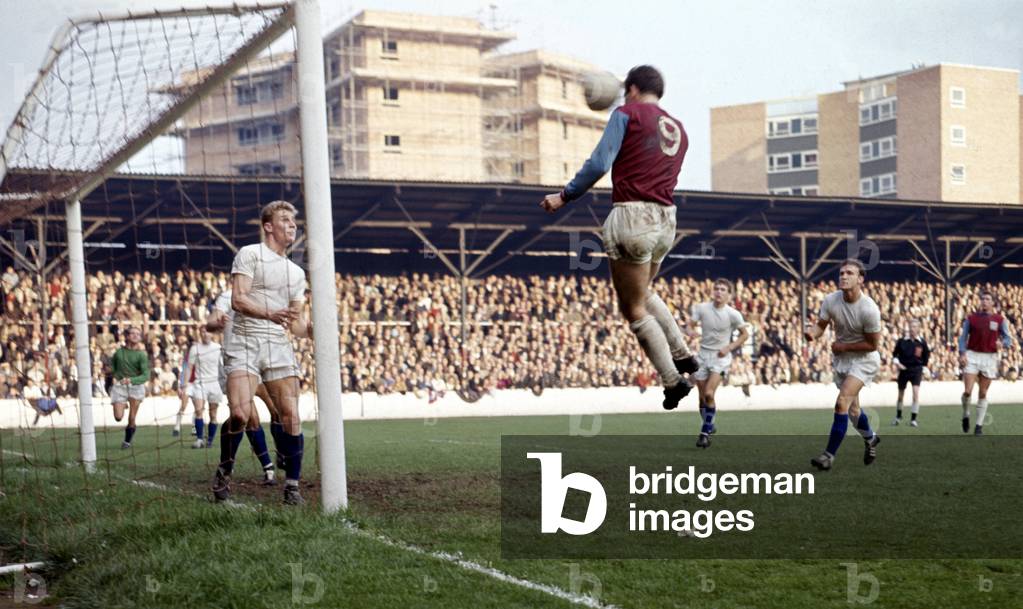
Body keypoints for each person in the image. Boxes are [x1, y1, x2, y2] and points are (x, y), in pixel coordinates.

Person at [540, 65, 696, 410]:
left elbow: (599, 163)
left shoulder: (627, 114)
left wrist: (565, 195)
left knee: (633, 307)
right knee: (645, 292)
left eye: (627, 90)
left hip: (633, 215)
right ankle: (684, 354)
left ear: (634, 88)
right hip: (666, 218)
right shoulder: (680, 130)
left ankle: (673, 382)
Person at [212, 201, 310, 505]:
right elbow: (239, 300)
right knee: (240, 415)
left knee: (291, 416)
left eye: (294, 220)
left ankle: (291, 486)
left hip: (278, 346)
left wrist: (313, 329)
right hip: (244, 341)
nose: (292, 225)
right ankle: (224, 470)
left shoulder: (296, 273)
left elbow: (295, 323)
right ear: (268, 226)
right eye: (285, 220)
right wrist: (270, 314)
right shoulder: (250, 254)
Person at [804, 260, 881, 471]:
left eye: (849, 273)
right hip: (843, 359)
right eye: (841, 273)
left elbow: (873, 345)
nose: (843, 276)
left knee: (841, 402)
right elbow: (821, 325)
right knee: (854, 412)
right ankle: (871, 438)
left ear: (860, 279)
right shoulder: (831, 300)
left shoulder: (869, 309)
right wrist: (812, 333)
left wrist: (844, 346)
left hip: (864, 360)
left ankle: (828, 456)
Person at [207, 289, 278, 485]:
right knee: (246, 417)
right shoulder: (228, 295)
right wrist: (217, 323)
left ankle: (282, 456)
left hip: (263, 358)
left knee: (278, 411)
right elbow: (210, 323)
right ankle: (264, 467)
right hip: (237, 360)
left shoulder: (270, 292)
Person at [686, 278, 749, 448]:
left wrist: (729, 347)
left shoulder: (733, 314)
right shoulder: (702, 308)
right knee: (701, 399)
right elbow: (689, 325)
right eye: (716, 288)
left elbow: (745, 335)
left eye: (723, 289)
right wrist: (691, 332)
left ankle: (704, 434)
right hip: (702, 356)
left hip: (720, 358)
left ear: (729, 294)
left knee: (708, 393)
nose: (719, 292)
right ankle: (710, 423)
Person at [958, 290, 1015, 436]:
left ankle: (978, 426)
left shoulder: (999, 320)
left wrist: (1002, 343)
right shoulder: (971, 318)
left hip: (989, 358)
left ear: (992, 303)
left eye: (987, 299)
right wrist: (962, 353)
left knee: (983, 393)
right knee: (967, 391)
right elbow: (962, 338)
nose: (984, 301)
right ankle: (966, 414)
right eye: (982, 299)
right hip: (972, 355)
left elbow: (1008, 339)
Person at [181, 327, 225, 449]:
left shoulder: (217, 348)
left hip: (214, 383)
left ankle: (210, 440)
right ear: (200, 333)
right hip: (200, 383)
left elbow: (223, 365)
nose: (205, 334)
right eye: (203, 332)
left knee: (213, 413)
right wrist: (184, 384)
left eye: (208, 331)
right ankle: (199, 439)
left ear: (212, 334)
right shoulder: (195, 349)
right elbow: (189, 367)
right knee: (199, 410)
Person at [110, 326, 149, 449]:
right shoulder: (118, 353)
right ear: (127, 336)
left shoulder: (141, 355)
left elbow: (145, 375)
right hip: (121, 386)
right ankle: (123, 403)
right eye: (133, 333)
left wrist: (132, 380)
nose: (135, 335)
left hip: (135, 387)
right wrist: (113, 375)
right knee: (118, 417)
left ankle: (127, 441)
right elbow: (113, 369)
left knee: (132, 417)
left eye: (138, 334)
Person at [891, 318, 930, 427]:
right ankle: (898, 416)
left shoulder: (922, 342)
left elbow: (926, 357)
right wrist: (898, 364)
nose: (912, 329)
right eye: (911, 326)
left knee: (915, 393)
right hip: (904, 370)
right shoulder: (902, 341)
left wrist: (924, 368)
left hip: (916, 370)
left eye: (915, 326)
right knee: (900, 395)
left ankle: (913, 419)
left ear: (918, 328)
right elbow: (894, 355)